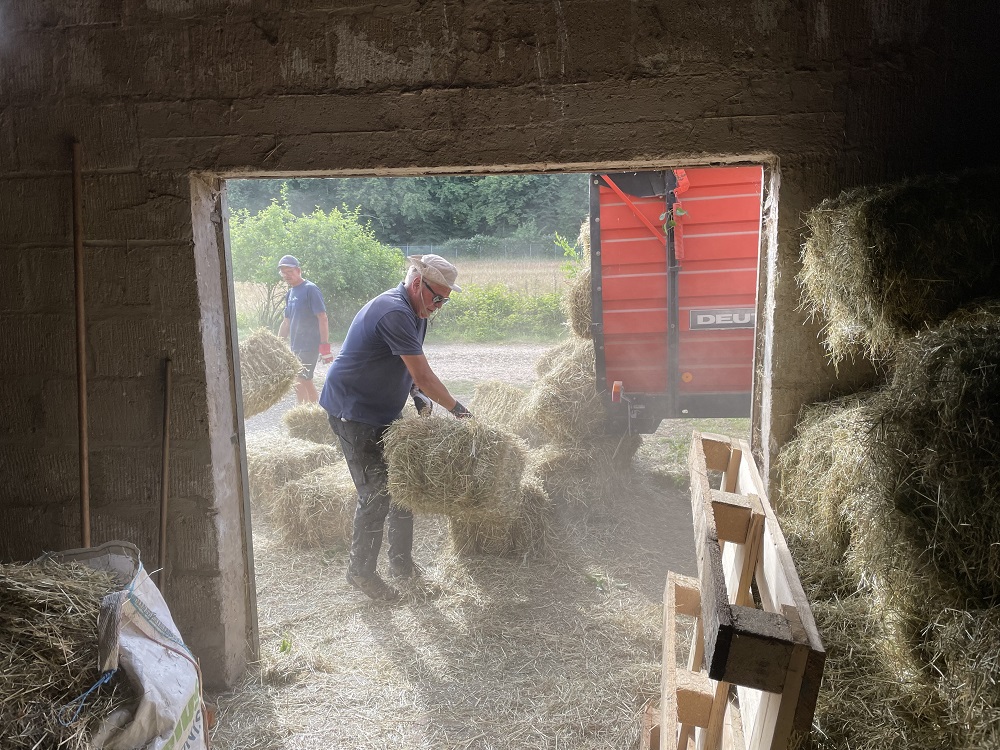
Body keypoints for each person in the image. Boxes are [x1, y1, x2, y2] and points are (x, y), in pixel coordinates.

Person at [319, 254, 473, 601]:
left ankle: (401, 564)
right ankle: (360, 573)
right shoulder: (394, 311)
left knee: (402, 487)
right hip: (353, 410)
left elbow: (406, 366)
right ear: (418, 283)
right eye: (438, 297)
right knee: (375, 491)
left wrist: (416, 394)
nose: (439, 305)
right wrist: (460, 412)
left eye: (446, 300)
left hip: (382, 410)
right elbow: (422, 372)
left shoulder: (417, 312)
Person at [277, 255, 332, 404]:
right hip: (296, 345)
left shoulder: (310, 289)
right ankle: (308, 413)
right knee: (302, 381)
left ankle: (308, 413)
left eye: (289, 271)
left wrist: (325, 345)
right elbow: (286, 322)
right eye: (284, 272)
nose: (287, 275)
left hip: (309, 344)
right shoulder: (290, 293)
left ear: (298, 270)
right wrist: (277, 344)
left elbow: (322, 317)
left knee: (301, 380)